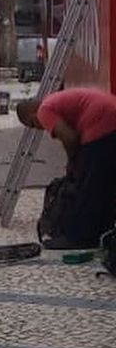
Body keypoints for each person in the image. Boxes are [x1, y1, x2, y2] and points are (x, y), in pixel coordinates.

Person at [16, 89, 116, 249]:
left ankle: (80, 238)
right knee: (106, 183)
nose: (40, 128)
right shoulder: (54, 101)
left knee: (87, 187)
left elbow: (70, 137)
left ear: (33, 115)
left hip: (101, 122)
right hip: (110, 114)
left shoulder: (44, 111)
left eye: (34, 125)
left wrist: (72, 162)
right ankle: (104, 233)